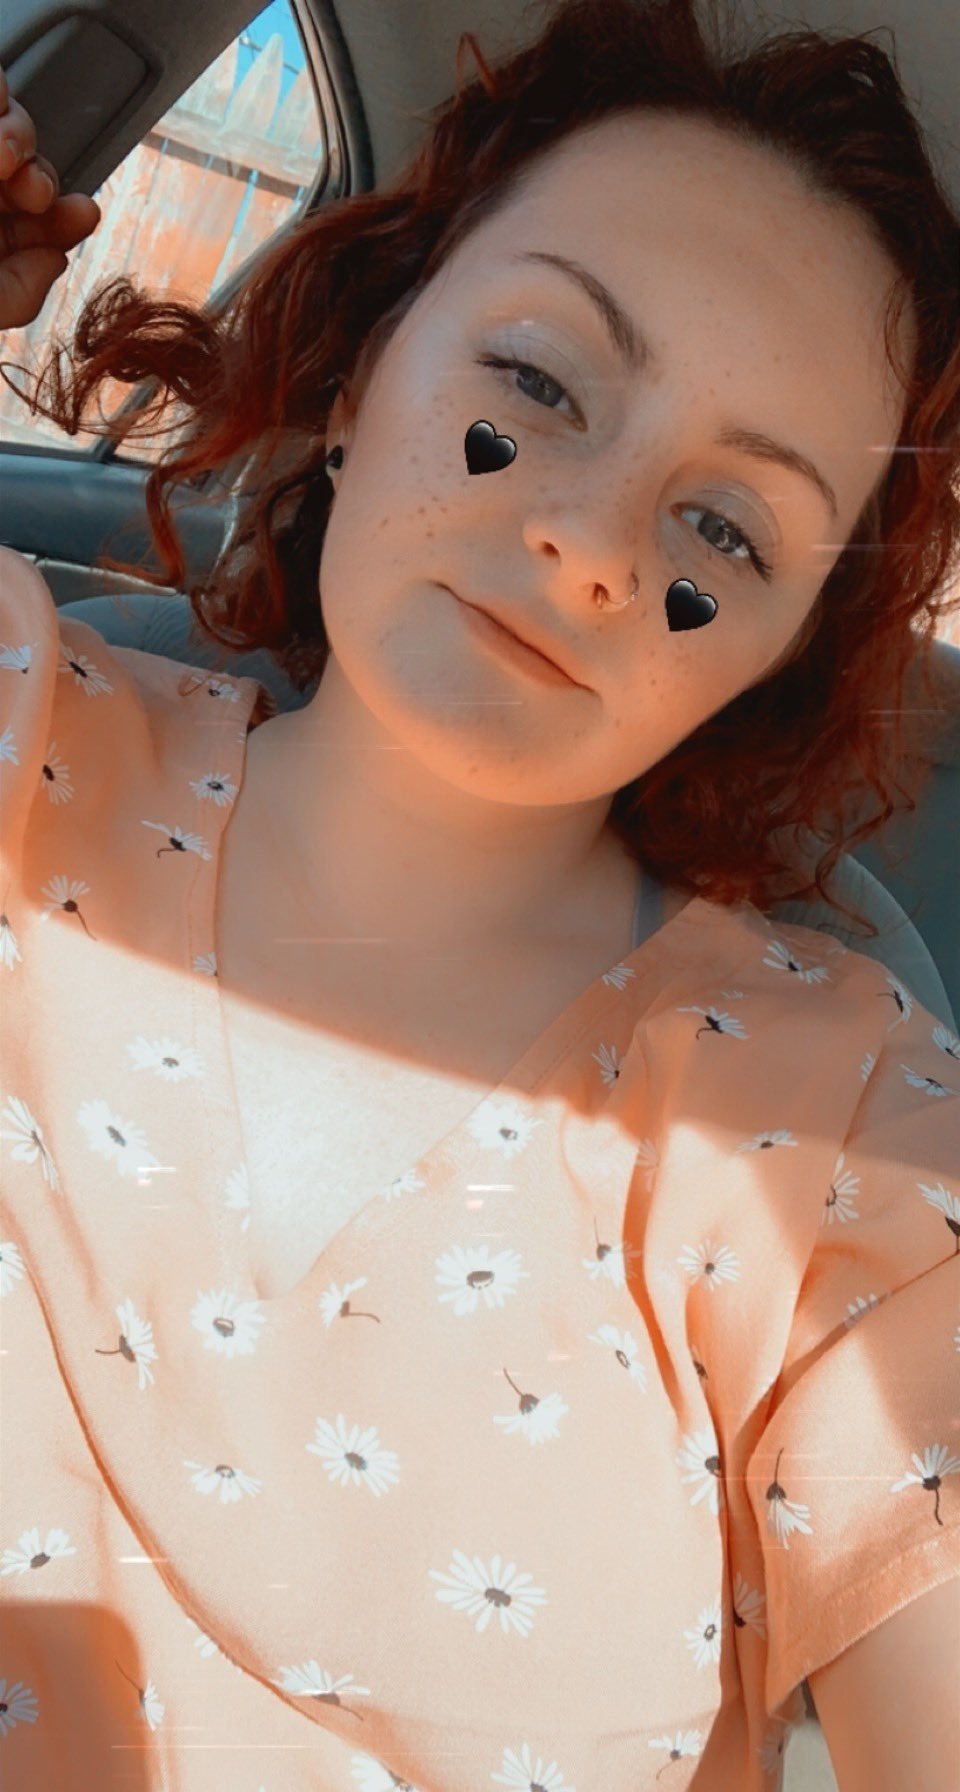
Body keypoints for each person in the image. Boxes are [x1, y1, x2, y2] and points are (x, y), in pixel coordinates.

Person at [1, 3, 958, 1787]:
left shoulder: (843, 1130)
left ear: (775, 652)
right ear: (368, 364)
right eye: (537, 382)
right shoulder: (22, 728)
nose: (590, 544)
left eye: (729, 530)